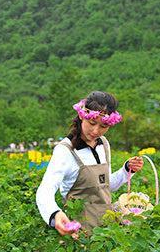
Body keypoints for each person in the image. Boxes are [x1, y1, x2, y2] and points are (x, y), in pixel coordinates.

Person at [36, 91, 144, 236]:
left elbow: (105, 186)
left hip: (107, 231)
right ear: (82, 116)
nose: (96, 131)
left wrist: (127, 170)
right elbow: (45, 191)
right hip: (80, 234)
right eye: (92, 123)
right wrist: (55, 214)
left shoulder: (104, 144)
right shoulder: (65, 150)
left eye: (103, 126)